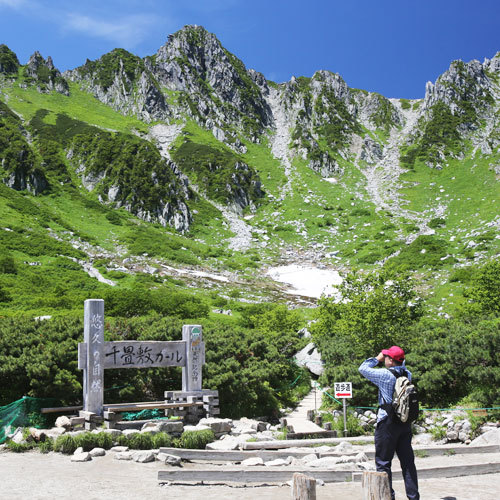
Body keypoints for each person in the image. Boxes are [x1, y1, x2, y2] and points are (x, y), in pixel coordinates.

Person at [359, 345, 420, 500]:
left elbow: (363, 368)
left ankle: (388, 497)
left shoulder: (384, 375)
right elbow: (402, 365)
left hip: (387, 423)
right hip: (404, 423)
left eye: (386, 357)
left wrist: (377, 358)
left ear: (391, 361)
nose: (384, 358)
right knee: (408, 463)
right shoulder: (408, 373)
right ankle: (413, 497)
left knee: (383, 463)